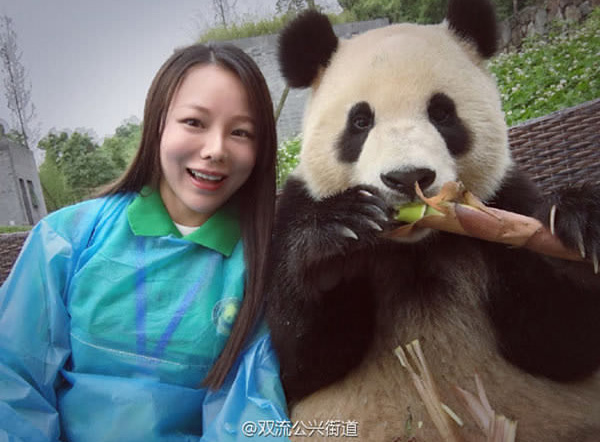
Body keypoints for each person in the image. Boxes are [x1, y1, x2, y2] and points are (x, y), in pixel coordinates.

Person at [0, 43, 290, 441]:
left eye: (241, 132)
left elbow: (251, 412)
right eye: (194, 122)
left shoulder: (263, 264)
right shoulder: (67, 239)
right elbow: (11, 378)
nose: (216, 149)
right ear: (158, 124)